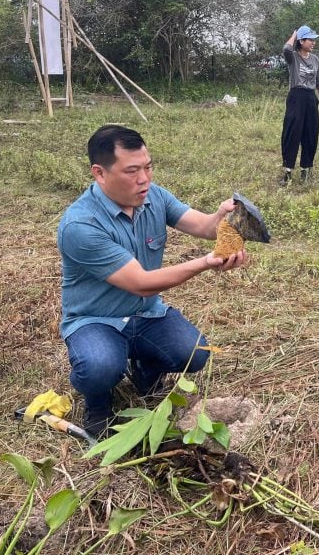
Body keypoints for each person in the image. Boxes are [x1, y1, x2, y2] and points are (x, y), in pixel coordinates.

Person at [57, 125, 246, 437]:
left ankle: (146, 371)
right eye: (132, 171)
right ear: (100, 173)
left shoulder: (153, 196)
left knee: (195, 352)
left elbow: (202, 226)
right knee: (99, 367)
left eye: (148, 167)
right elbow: (141, 283)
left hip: (146, 313)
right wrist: (205, 262)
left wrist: (223, 218)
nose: (144, 178)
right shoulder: (81, 225)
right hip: (95, 319)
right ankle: (98, 402)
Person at [280, 25, 319, 186]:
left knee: (310, 134)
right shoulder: (293, 57)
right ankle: (287, 171)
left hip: (310, 98)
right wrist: (295, 34)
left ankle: (306, 170)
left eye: (314, 40)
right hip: (296, 97)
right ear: (301, 41)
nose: (313, 42)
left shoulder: (315, 60)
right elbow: (286, 48)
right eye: (310, 39)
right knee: (292, 133)